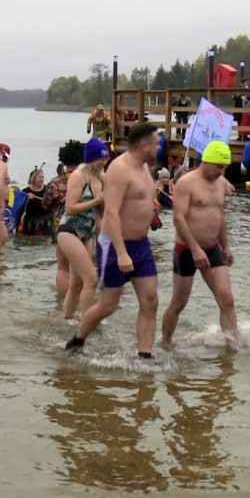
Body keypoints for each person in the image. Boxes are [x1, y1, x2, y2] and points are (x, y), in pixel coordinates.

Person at [67, 122, 160, 358]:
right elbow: (111, 212)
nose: (159, 147)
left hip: (141, 243)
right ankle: (78, 340)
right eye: (156, 143)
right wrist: (121, 252)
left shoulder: (144, 167)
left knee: (150, 300)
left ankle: (144, 356)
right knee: (109, 304)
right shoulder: (119, 169)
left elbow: (141, 199)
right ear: (144, 145)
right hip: (116, 244)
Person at [161, 140, 237, 349]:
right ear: (207, 161)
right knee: (179, 303)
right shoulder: (187, 183)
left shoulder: (221, 183)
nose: (221, 172)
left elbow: (219, 217)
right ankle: (166, 343)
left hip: (213, 249)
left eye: (225, 168)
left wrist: (226, 246)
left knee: (227, 299)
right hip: (186, 250)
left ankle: (232, 348)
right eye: (219, 167)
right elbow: (178, 218)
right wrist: (195, 249)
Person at [56, 138, 109, 319]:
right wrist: (97, 200)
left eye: (105, 158)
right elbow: (70, 207)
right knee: (91, 279)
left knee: (77, 284)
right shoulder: (79, 176)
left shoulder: (102, 179)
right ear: (90, 158)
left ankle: (67, 320)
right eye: (100, 159)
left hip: (88, 233)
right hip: (69, 230)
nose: (103, 162)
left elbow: (101, 213)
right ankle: (88, 323)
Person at [43, 140, 85, 297]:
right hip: (85, 224)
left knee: (63, 266)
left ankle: (63, 300)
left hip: (62, 225)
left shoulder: (56, 182)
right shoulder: (89, 179)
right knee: (83, 265)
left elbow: (46, 204)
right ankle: (81, 298)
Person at [18, 166, 54, 236]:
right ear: (33, 179)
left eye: (43, 177)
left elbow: (53, 205)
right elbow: (20, 208)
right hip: (30, 221)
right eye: (40, 177)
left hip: (46, 221)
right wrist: (27, 199)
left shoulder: (48, 189)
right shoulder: (25, 191)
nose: (42, 179)